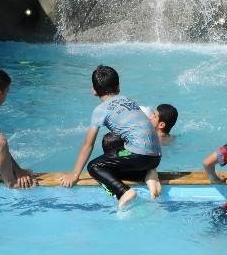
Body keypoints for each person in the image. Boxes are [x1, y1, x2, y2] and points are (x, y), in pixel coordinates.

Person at [60, 65, 162, 208]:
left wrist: (74, 175)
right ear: (118, 87)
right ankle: (146, 174)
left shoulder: (100, 109)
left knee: (95, 166)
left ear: (94, 91)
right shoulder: (127, 100)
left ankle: (124, 192)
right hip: (155, 156)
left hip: (139, 155)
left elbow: (87, 144)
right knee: (112, 163)